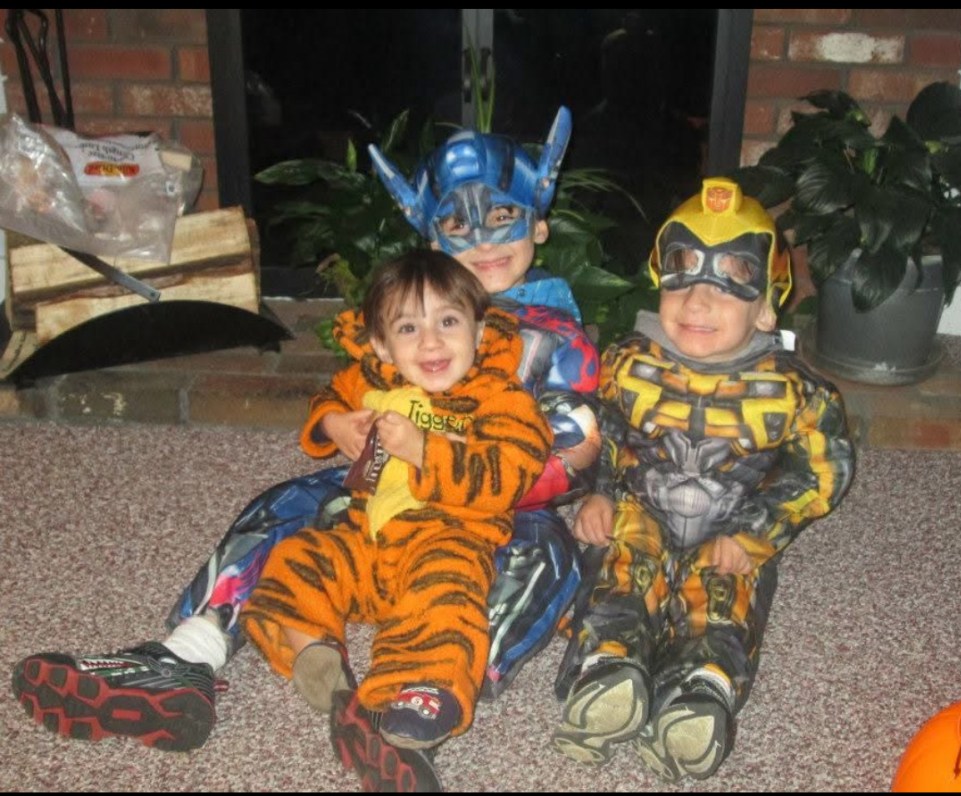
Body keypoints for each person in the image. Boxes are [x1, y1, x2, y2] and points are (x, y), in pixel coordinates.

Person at [11, 106, 601, 758]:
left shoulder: (557, 340)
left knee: (550, 558)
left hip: (493, 506)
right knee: (287, 503)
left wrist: (456, 463)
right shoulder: (415, 307)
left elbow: (571, 455)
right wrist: (336, 424)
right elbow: (350, 385)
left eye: (503, 216)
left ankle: (429, 695)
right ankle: (189, 653)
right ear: (431, 239)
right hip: (383, 495)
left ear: (537, 223)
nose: (483, 241)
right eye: (458, 225)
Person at [550, 177, 855, 782]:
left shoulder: (797, 392)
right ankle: (608, 670)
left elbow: (825, 471)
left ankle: (699, 693)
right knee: (620, 577)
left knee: (722, 603)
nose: (696, 303)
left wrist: (756, 533)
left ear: (766, 307)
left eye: (725, 285)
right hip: (642, 510)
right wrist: (600, 494)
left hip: (732, 528)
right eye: (682, 279)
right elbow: (605, 430)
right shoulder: (626, 364)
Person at [240, 249, 552, 791]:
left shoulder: (499, 397)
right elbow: (328, 396)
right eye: (408, 328)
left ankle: (418, 696)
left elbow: (509, 474)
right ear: (382, 345)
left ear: (479, 332)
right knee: (295, 557)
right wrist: (335, 424)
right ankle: (318, 658)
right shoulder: (372, 378)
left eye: (448, 322)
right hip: (368, 541)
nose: (430, 343)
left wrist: (424, 450)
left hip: (447, 540)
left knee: (446, 602)